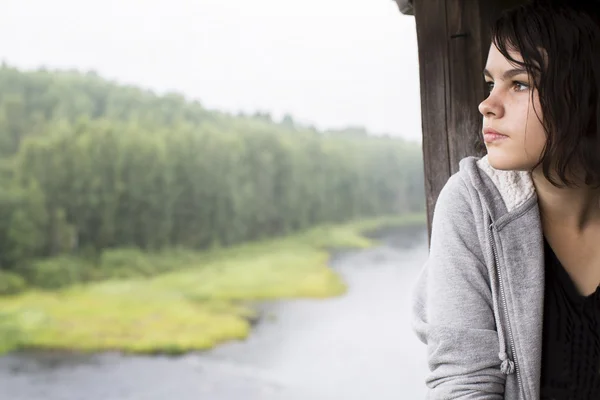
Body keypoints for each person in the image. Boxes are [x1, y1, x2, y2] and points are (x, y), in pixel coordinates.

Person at [411, 1, 600, 399]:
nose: (487, 104)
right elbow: (464, 384)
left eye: (519, 84)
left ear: (582, 94)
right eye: (489, 83)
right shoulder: (471, 206)